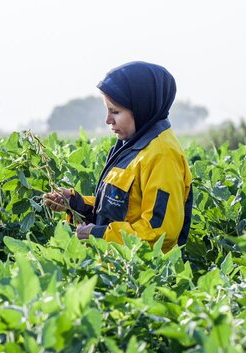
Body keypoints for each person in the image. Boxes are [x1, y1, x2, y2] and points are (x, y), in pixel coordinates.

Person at [43, 61, 192, 252]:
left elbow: (160, 234)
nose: (107, 120)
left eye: (115, 111)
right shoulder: (133, 146)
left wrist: (99, 235)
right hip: (118, 271)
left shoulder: (162, 155)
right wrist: (75, 204)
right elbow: (119, 208)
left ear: (142, 107)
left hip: (142, 278)